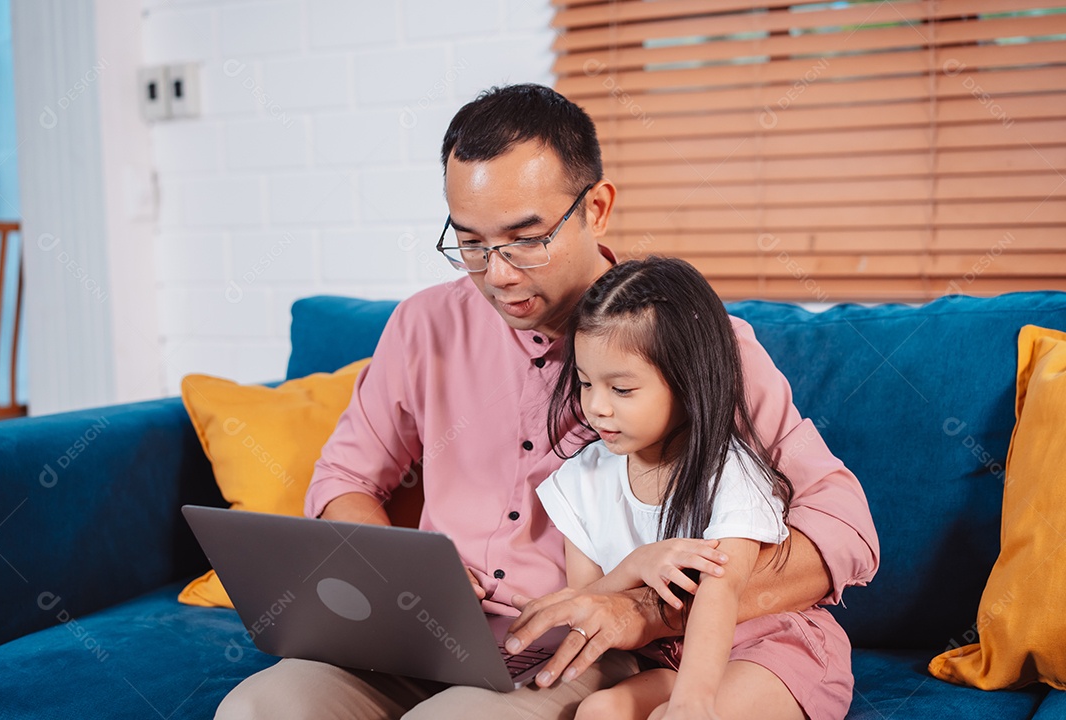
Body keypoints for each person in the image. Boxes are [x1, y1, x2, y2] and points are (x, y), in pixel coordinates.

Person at [216, 84, 878, 719]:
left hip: (580, 645)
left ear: (596, 208)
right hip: (427, 638)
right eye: (471, 243)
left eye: (527, 239)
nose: (498, 275)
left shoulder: (694, 342)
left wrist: (647, 609)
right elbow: (345, 479)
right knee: (255, 708)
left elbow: (842, 526)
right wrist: (397, 591)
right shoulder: (423, 326)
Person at [533, 256, 853, 720]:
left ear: (686, 384)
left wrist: (692, 703)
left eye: (622, 389)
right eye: (585, 383)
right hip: (674, 657)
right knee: (597, 712)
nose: (596, 407)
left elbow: (721, 593)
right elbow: (591, 601)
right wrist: (634, 565)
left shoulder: (730, 472)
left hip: (770, 648)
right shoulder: (580, 480)